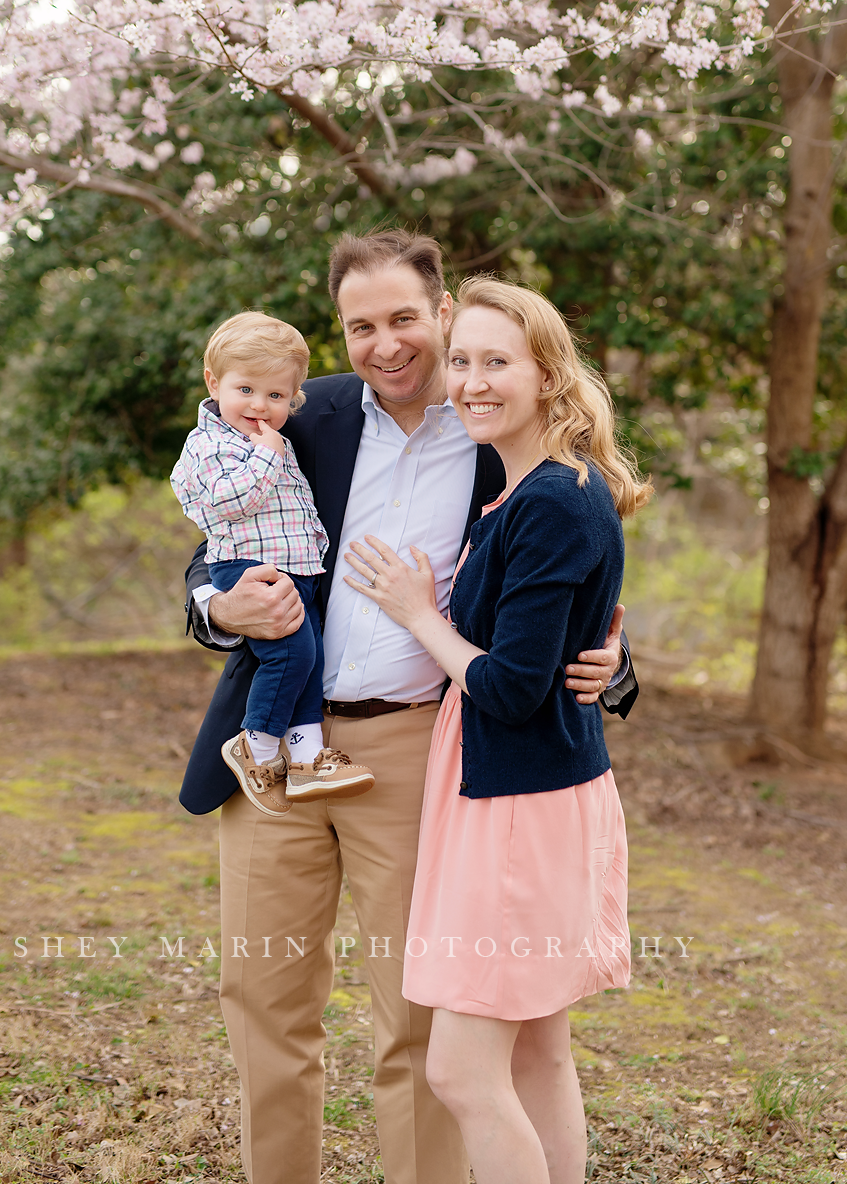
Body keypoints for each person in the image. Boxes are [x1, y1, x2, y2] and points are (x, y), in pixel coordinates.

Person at [179, 230, 639, 1184]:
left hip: (421, 755)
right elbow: (214, 537)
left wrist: (611, 658)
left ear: (440, 314)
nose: (384, 345)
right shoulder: (301, 416)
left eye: (402, 320)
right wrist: (218, 607)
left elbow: (567, 567)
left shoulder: (496, 428)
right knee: (262, 998)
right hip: (277, 751)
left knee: (422, 1020)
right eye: (359, 327)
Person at [343, 275, 653, 1184]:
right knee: (535, 1054)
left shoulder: (554, 499)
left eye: (498, 363)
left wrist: (415, 611)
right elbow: (548, 648)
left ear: (548, 375)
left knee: (461, 1070)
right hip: (521, 789)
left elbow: (513, 688)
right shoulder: (528, 490)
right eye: (465, 361)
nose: (473, 381)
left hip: (518, 801)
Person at [171, 311, 374, 810]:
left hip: (297, 567)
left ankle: (306, 758)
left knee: (310, 660)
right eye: (246, 390)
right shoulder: (213, 444)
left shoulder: (271, 436)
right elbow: (224, 505)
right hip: (250, 569)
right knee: (292, 656)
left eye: (277, 396)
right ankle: (256, 744)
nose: (260, 405)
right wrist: (268, 454)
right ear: (213, 383)